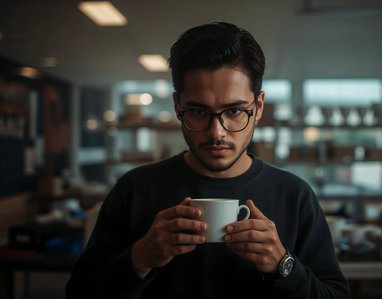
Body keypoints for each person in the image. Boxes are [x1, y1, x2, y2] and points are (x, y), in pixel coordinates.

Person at [66, 22, 349, 299]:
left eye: (235, 111)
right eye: (198, 112)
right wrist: (139, 259)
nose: (217, 132)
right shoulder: (135, 189)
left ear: (258, 106)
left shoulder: (295, 196)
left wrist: (283, 265)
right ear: (178, 106)